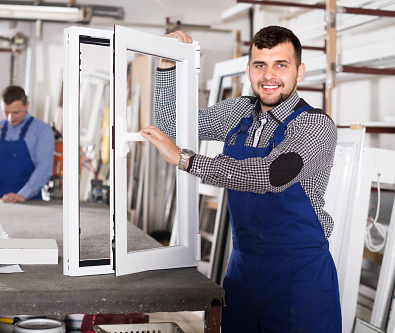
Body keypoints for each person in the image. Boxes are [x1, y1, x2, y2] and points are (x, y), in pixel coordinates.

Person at [140, 26, 341, 332]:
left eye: (281, 65)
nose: (269, 76)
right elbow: (171, 125)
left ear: (299, 72)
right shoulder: (239, 112)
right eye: (260, 65)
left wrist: (186, 159)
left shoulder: (315, 126)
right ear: (249, 70)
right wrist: (167, 63)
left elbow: (269, 176)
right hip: (244, 271)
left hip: (299, 278)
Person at [0, 85, 55, 203]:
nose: (10, 118)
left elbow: (44, 168)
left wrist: (23, 194)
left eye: (15, 112)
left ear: (26, 105)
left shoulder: (42, 131)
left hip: (30, 203)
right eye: (6, 112)